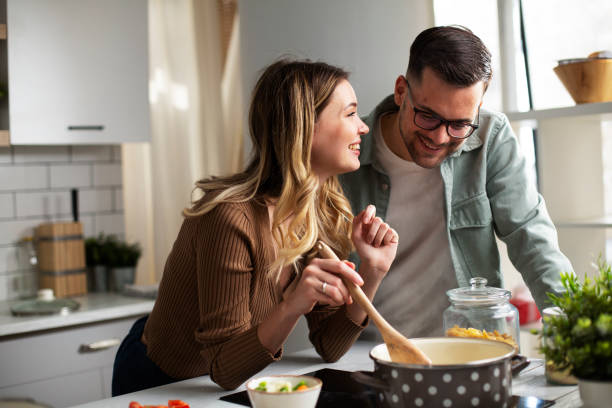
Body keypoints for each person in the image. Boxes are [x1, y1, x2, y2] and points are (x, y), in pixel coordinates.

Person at [112, 59, 399, 394]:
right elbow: (223, 368)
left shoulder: (323, 211)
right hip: (160, 383)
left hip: (221, 386)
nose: (362, 127)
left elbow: (330, 346)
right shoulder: (229, 217)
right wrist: (292, 305)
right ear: (306, 127)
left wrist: (373, 271)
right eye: (350, 114)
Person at [339, 26, 573, 341]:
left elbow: (532, 239)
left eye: (460, 124)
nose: (439, 137)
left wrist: (575, 332)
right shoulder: (347, 148)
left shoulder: (491, 136)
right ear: (400, 91)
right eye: (428, 116)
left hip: (472, 345)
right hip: (369, 353)